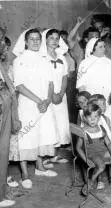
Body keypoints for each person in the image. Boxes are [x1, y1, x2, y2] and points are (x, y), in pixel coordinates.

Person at [12, 29, 59, 189]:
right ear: (25, 41)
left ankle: (40, 167)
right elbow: (19, 85)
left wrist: (47, 100)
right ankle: (25, 174)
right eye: (32, 39)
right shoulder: (19, 60)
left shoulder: (44, 60)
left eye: (38, 39)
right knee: (27, 136)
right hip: (28, 104)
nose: (35, 41)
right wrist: (39, 101)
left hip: (44, 105)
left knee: (41, 135)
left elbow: (51, 83)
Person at [76, 103, 111, 194]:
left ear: (99, 117)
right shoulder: (83, 131)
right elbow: (78, 148)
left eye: (95, 116)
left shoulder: (101, 128)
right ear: (85, 118)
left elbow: (108, 143)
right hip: (92, 154)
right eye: (89, 116)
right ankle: (90, 182)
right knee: (101, 166)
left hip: (103, 151)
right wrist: (85, 159)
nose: (92, 119)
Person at [39, 29, 70, 167]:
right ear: (45, 40)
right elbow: (42, 80)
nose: (55, 41)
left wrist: (61, 94)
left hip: (60, 97)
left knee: (60, 124)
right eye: (51, 38)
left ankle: (55, 155)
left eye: (57, 38)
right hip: (46, 96)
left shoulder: (61, 57)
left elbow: (65, 77)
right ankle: (44, 157)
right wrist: (51, 96)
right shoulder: (41, 57)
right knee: (48, 125)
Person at [0, 36, 21, 206]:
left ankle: (1, 192)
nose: (3, 46)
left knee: (3, 151)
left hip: (5, 107)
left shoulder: (2, 64)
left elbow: (9, 88)